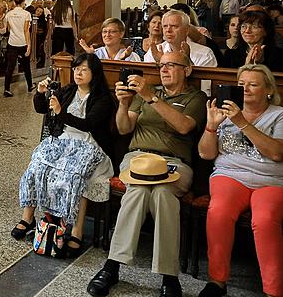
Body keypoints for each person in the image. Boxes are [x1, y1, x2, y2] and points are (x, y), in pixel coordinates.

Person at [86, 49, 207, 297]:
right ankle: (116, 266)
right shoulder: (148, 91)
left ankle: (162, 274)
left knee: (161, 193)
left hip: (175, 163)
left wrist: (151, 97)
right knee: (139, 189)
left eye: (171, 65)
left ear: (187, 70)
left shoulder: (196, 97)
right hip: (138, 158)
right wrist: (123, 104)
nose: (163, 69)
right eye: (161, 65)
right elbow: (123, 127)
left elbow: (184, 126)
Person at [15, 53, 115, 257]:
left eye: (84, 69)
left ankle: (76, 230)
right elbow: (44, 109)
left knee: (73, 175)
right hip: (63, 141)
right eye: (76, 69)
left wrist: (61, 112)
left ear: (94, 73)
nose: (78, 73)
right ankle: (28, 217)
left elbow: (89, 125)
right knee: (37, 166)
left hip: (89, 144)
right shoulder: (69, 90)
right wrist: (39, 93)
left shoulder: (103, 98)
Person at [195, 63, 283, 297]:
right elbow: (206, 154)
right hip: (230, 175)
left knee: (265, 220)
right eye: (242, 84)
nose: (246, 89)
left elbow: (277, 153)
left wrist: (242, 122)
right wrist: (211, 127)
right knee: (219, 212)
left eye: (253, 84)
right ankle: (217, 281)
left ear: (268, 90)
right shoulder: (224, 112)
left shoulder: (279, 115)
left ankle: (273, 290)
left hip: (270, 180)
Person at [143, 9, 218, 68]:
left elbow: (203, 86)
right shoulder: (154, 51)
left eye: (174, 26)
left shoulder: (205, 54)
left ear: (187, 30)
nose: (168, 30)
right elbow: (148, 82)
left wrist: (187, 63)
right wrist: (161, 63)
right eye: (165, 26)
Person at [0, 0, 33, 97]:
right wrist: (29, 45)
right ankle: (30, 86)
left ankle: (6, 89)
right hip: (22, 42)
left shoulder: (9, 14)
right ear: (23, 3)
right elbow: (26, 30)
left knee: (10, 66)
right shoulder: (26, 14)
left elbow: (7, 29)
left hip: (12, 42)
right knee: (26, 66)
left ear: (14, 2)